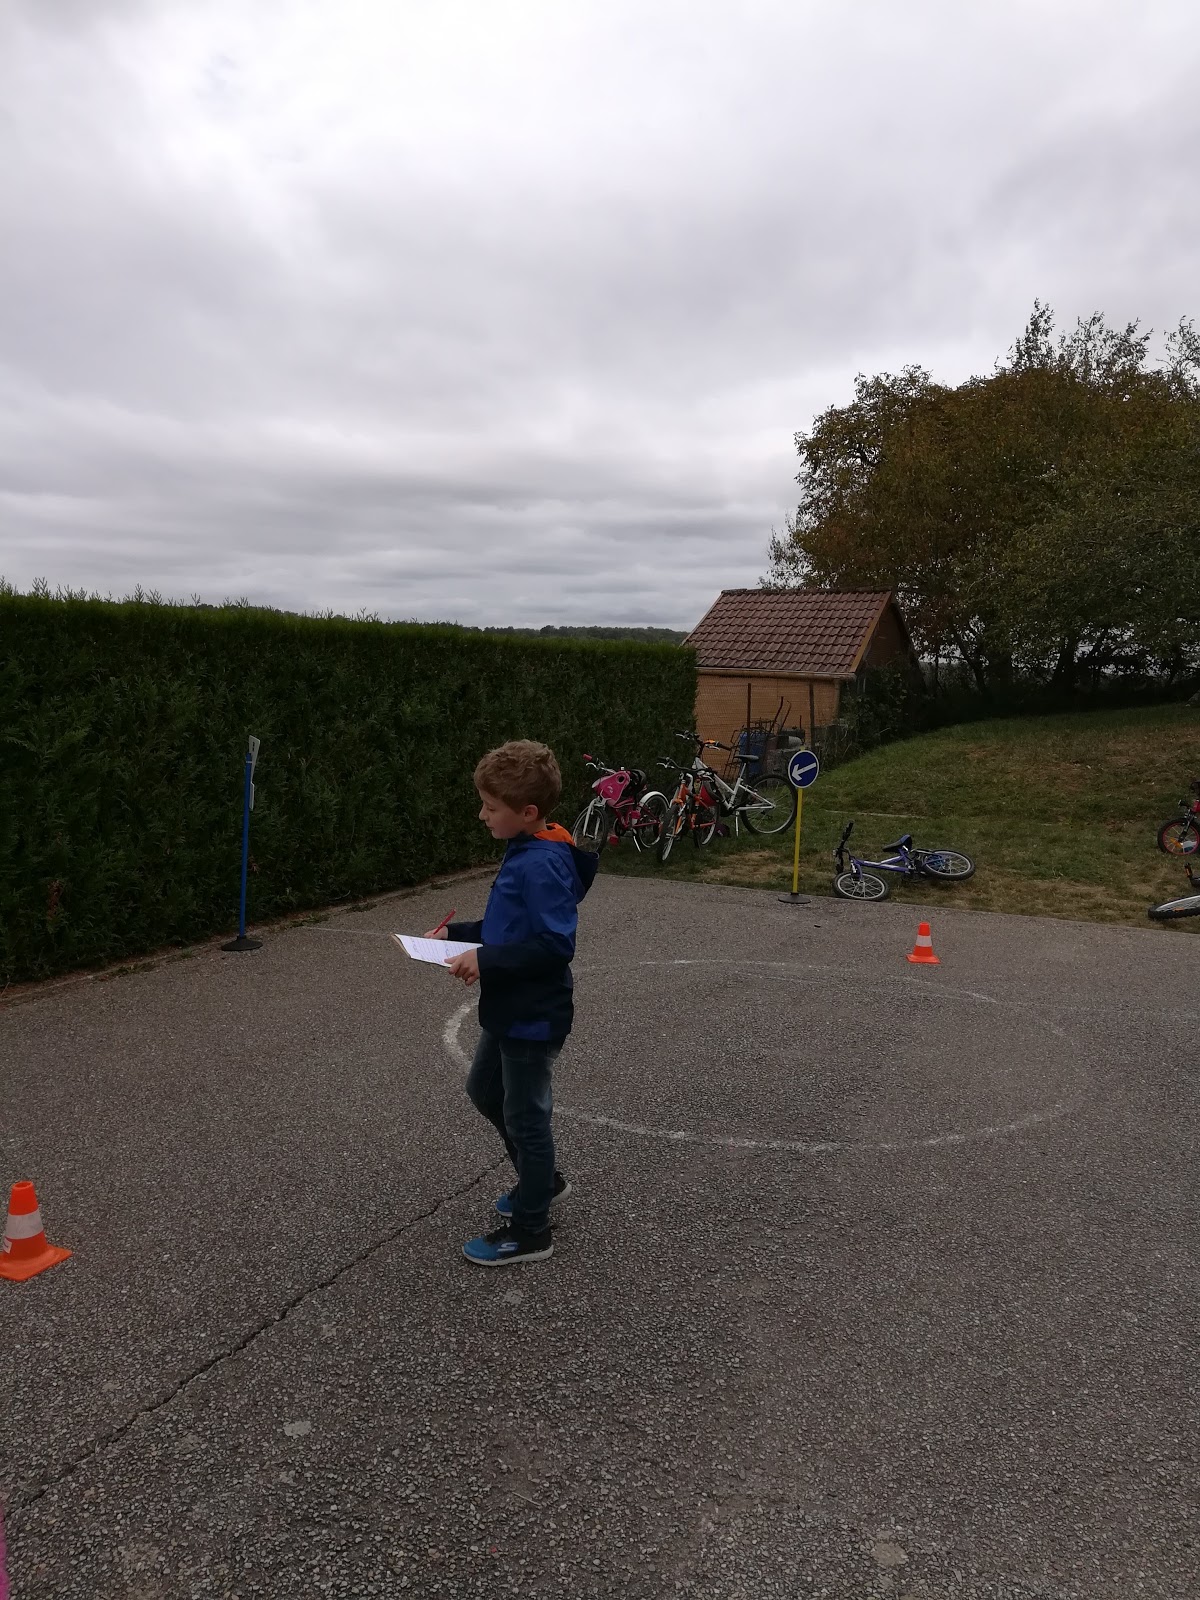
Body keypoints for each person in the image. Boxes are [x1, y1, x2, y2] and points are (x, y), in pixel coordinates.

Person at [424, 740, 597, 1266]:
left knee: (526, 1119)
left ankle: (531, 1230)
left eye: (490, 807)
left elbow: (553, 945)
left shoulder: (542, 864)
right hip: (508, 1008)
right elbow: (506, 927)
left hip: (532, 1016)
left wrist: (486, 959)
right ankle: (541, 1182)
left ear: (527, 812)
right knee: (484, 1090)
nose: (482, 815)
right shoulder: (524, 847)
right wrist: (456, 934)